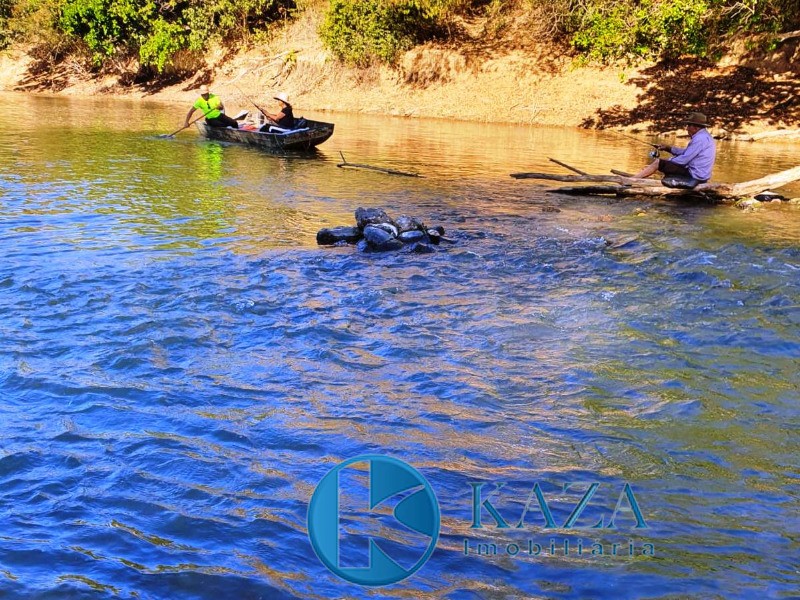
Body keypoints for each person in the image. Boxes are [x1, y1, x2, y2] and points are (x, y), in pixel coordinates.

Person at [633, 112, 716, 187]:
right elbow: (687, 152)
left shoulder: (699, 139)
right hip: (701, 175)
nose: (687, 129)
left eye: (688, 126)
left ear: (696, 127)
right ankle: (640, 176)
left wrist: (666, 161)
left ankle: (632, 180)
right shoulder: (705, 137)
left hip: (694, 175)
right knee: (662, 164)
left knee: (659, 162)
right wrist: (668, 148)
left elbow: (683, 160)